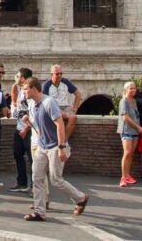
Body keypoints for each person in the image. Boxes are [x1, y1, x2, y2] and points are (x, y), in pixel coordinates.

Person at [22, 77, 88, 222]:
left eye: (25, 89)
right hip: (42, 146)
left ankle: (81, 198)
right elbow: (39, 126)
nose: (23, 92)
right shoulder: (33, 104)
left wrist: (61, 147)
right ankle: (40, 212)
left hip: (55, 146)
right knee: (36, 178)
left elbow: (59, 124)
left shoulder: (48, 102)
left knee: (56, 179)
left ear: (34, 88)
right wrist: (28, 122)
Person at [9, 67, 34, 193]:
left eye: (18, 76)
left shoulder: (30, 93)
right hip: (19, 128)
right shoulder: (19, 89)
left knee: (32, 158)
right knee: (18, 154)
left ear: (23, 78)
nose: (16, 78)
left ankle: (35, 187)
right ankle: (21, 182)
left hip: (28, 130)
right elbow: (16, 107)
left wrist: (27, 128)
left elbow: (33, 113)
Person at [117, 81, 142, 187]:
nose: (133, 90)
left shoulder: (134, 100)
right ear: (126, 90)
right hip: (127, 130)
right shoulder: (124, 101)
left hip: (135, 131)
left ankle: (127, 174)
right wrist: (138, 127)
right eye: (130, 88)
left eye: (134, 88)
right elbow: (126, 117)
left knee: (131, 154)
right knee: (127, 153)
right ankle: (123, 178)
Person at [42, 65, 82, 138]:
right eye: (57, 74)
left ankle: (64, 140)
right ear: (52, 75)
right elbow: (43, 101)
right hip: (53, 107)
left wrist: (75, 108)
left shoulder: (65, 81)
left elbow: (78, 94)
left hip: (65, 107)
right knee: (61, 116)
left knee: (73, 117)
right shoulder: (46, 85)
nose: (59, 75)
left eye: (61, 73)